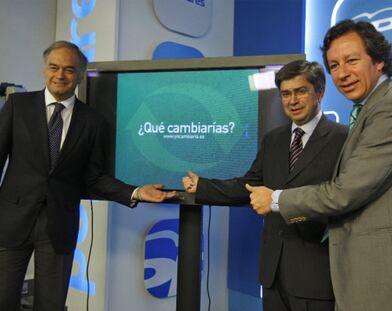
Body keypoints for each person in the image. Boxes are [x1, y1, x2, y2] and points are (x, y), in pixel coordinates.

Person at [247, 20, 392, 311]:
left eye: (351, 61)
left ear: (379, 61)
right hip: (351, 272)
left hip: (382, 275)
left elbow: (346, 191)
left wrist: (275, 199)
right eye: (334, 65)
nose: (342, 73)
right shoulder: (366, 111)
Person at [0, 40, 176, 311]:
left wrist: (136, 192)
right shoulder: (17, 105)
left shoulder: (93, 121)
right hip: (10, 222)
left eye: (69, 70)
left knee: (51, 305)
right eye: (54, 67)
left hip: (59, 227)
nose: (60, 75)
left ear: (80, 75)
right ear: (45, 70)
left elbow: (94, 178)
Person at [183, 60, 348, 311]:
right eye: (285, 94)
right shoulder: (273, 140)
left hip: (317, 276)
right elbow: (249, 187)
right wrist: (202, 187)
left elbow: (341, 198)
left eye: (301, 91)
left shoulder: (343, 139)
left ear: (320, 91)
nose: (292, 100)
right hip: (273, 276)